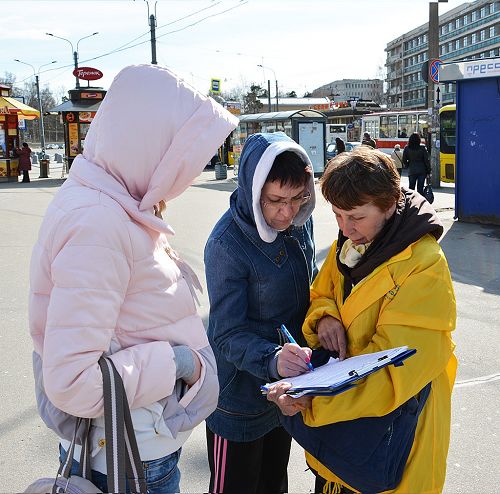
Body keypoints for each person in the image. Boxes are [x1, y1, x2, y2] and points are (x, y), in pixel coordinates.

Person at [29, 64, 238, 493]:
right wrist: (177, 363)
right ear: (152, 145)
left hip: (132, 441)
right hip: (128, 453)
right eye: (182, 156)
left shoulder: (109, 200)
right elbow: (73, 382)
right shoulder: (99, 222)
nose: (187, 173)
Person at [268, 146, 457, 493]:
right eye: (337, 215)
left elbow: (394, 371)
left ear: (390, 204)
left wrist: (310, 401)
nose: (345, 228)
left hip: (394, 443)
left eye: (355, 216)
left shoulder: (424, 266)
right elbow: (322, 293)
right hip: (343, 443)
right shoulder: (351, 245)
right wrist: (324, 318)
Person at [204, 132, 320, 494]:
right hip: (238, 399)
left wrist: (325, 316)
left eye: (297, 198)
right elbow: (226, 334)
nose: (287, 212)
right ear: (253, 192)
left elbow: (312, 284)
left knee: (273, 484)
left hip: (286, 390)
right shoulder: (226, 244)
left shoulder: (298, 222)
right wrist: (273, 359)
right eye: (275, 201)